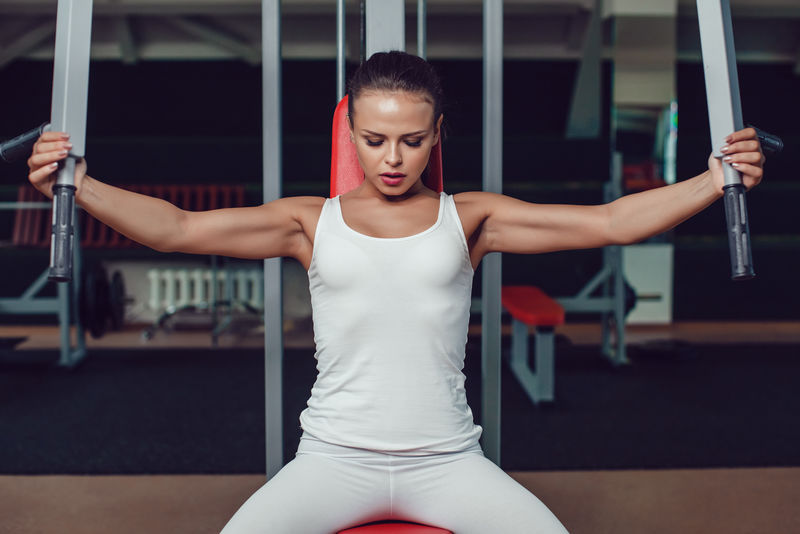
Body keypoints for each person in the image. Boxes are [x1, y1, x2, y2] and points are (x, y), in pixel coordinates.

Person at [27, 51, 764, 533]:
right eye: (375, 139)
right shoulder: (307, 222)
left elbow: (611, 221)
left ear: (436, 134)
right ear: (352, 134)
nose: (392, 157)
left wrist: (713, 176)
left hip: (447, 462)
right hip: (331, 460)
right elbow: (178, 230)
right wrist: (79, 185)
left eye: (411, 140)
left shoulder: (470, 217)